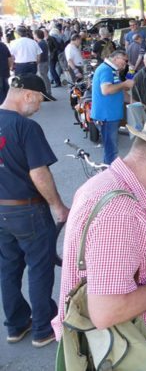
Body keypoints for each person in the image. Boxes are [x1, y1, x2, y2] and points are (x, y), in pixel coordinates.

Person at [52, 113, 146, 345]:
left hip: (120, 344)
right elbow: (108, 311)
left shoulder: (108, 183)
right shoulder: (120, 211)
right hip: (120, 349)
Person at [0, 74, 69, 348]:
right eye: (40, 99)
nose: (40, 106)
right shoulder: (25, 127)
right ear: (27, 94)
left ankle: (16, 325)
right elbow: (39, 172)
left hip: (2, 210)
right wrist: (58, 206)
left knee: (8, 267)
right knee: (40, 267)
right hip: (28, 209)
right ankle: (43, 328)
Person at [91, 50, 134, 164]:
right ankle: (110, 176)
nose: (125, 64)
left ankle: (109, 173)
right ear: (116, 58)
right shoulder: (106, 70)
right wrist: (125, 84)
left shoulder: (112, 70)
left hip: (110, 115)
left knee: (111, 149)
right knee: (111, 150)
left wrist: (133, 101)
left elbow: (118, 91)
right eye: (124, 61)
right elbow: (106, 90)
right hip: (106, 116)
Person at [33, 29, 52, 99]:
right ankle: (47, 92)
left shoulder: (41, 43)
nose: (33, 36)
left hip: (42, 62)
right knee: (44, 77)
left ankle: (47, 92)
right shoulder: (42, 42)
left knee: (44, 77)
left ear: (36, 35)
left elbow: (40, 54)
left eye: (34, 34)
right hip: (44, 62)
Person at [0, 38, 13, 104]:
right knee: (6, 88)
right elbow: (9, 58)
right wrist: (10, 66)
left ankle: (3, 105)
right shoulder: (3, 45)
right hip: (5, 70)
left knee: (1, 90)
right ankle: (7, 103)